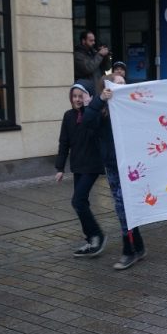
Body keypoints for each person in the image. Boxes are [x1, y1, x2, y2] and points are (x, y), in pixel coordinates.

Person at [83, 73, 147, 270]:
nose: (120, 87)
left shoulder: (133, 107)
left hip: (134, 166)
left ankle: (132, 249)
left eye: (123, 83)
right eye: (116, 84)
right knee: (122, 208)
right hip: (114, 166)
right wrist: (99, 100)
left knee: (127, 207)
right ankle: (135, 247)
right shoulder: (102, 110)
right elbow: (87, 121)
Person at [55, 80, 106, 257]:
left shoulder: (93, 114)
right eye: (74, 96)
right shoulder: (68, 116)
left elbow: (96, 131)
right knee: (81, 203)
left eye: (81, 96)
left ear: (88, 97)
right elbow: (64, 142)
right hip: (77, 165)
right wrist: (60, 167)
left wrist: (89, 109)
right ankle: (91, 238)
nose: (77, 99)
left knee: (77, 201)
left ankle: (97, 236)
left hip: (92, 165)